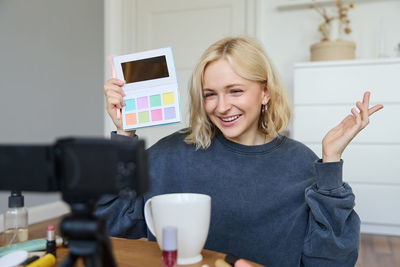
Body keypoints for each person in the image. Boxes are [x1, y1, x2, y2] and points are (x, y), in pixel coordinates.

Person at [97, 36, 383, 266]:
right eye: (210, 94)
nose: (221, 107)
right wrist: (125, 133)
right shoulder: (172, 153)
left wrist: (330, 162)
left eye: (235, 91)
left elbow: (334, 261)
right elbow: (112, 221)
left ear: (266, 93)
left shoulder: (301, 163)